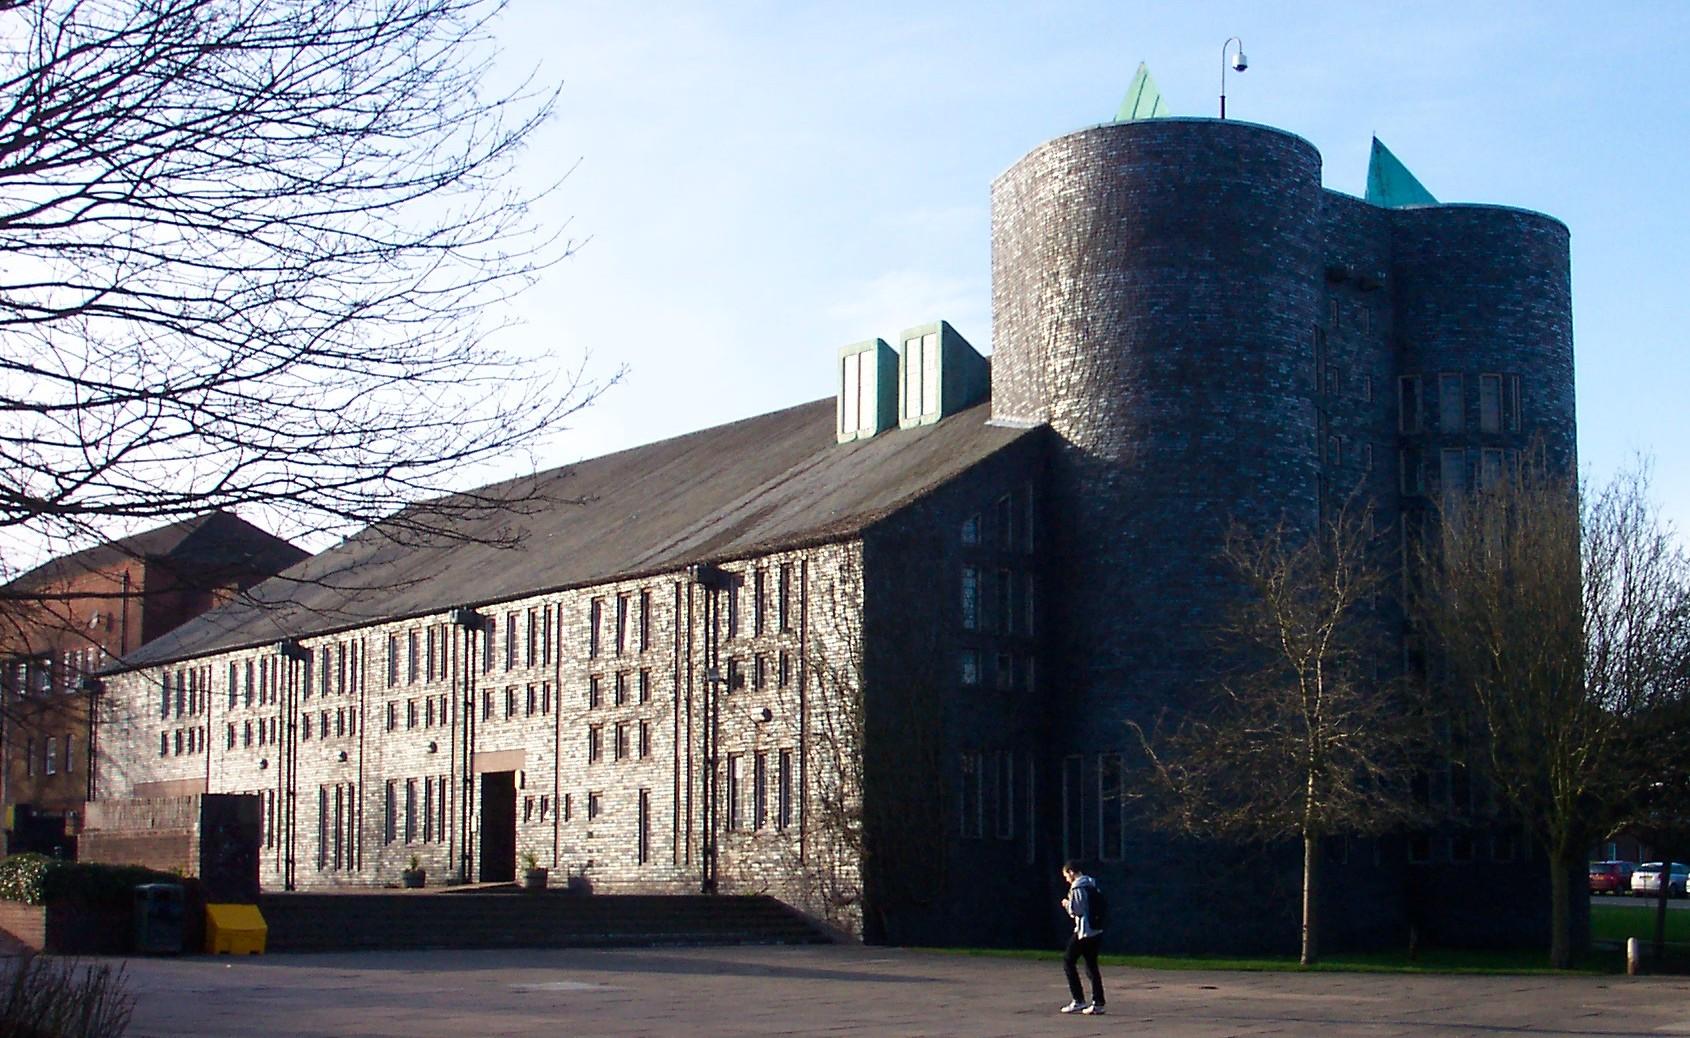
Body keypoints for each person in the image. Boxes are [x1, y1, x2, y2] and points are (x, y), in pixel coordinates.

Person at [1058, 860, 1106, 1015]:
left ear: (1072, 872)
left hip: (1084, 931)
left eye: (1066, 875)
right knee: (1091, 966)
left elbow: (1077, 910)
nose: (1066, 879)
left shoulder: (1078, 887)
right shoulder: (1092, 884)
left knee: (1068, 961)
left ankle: (1078, 1000)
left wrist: (1066, 904)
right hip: (1096, 930)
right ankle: (1098, 1002)